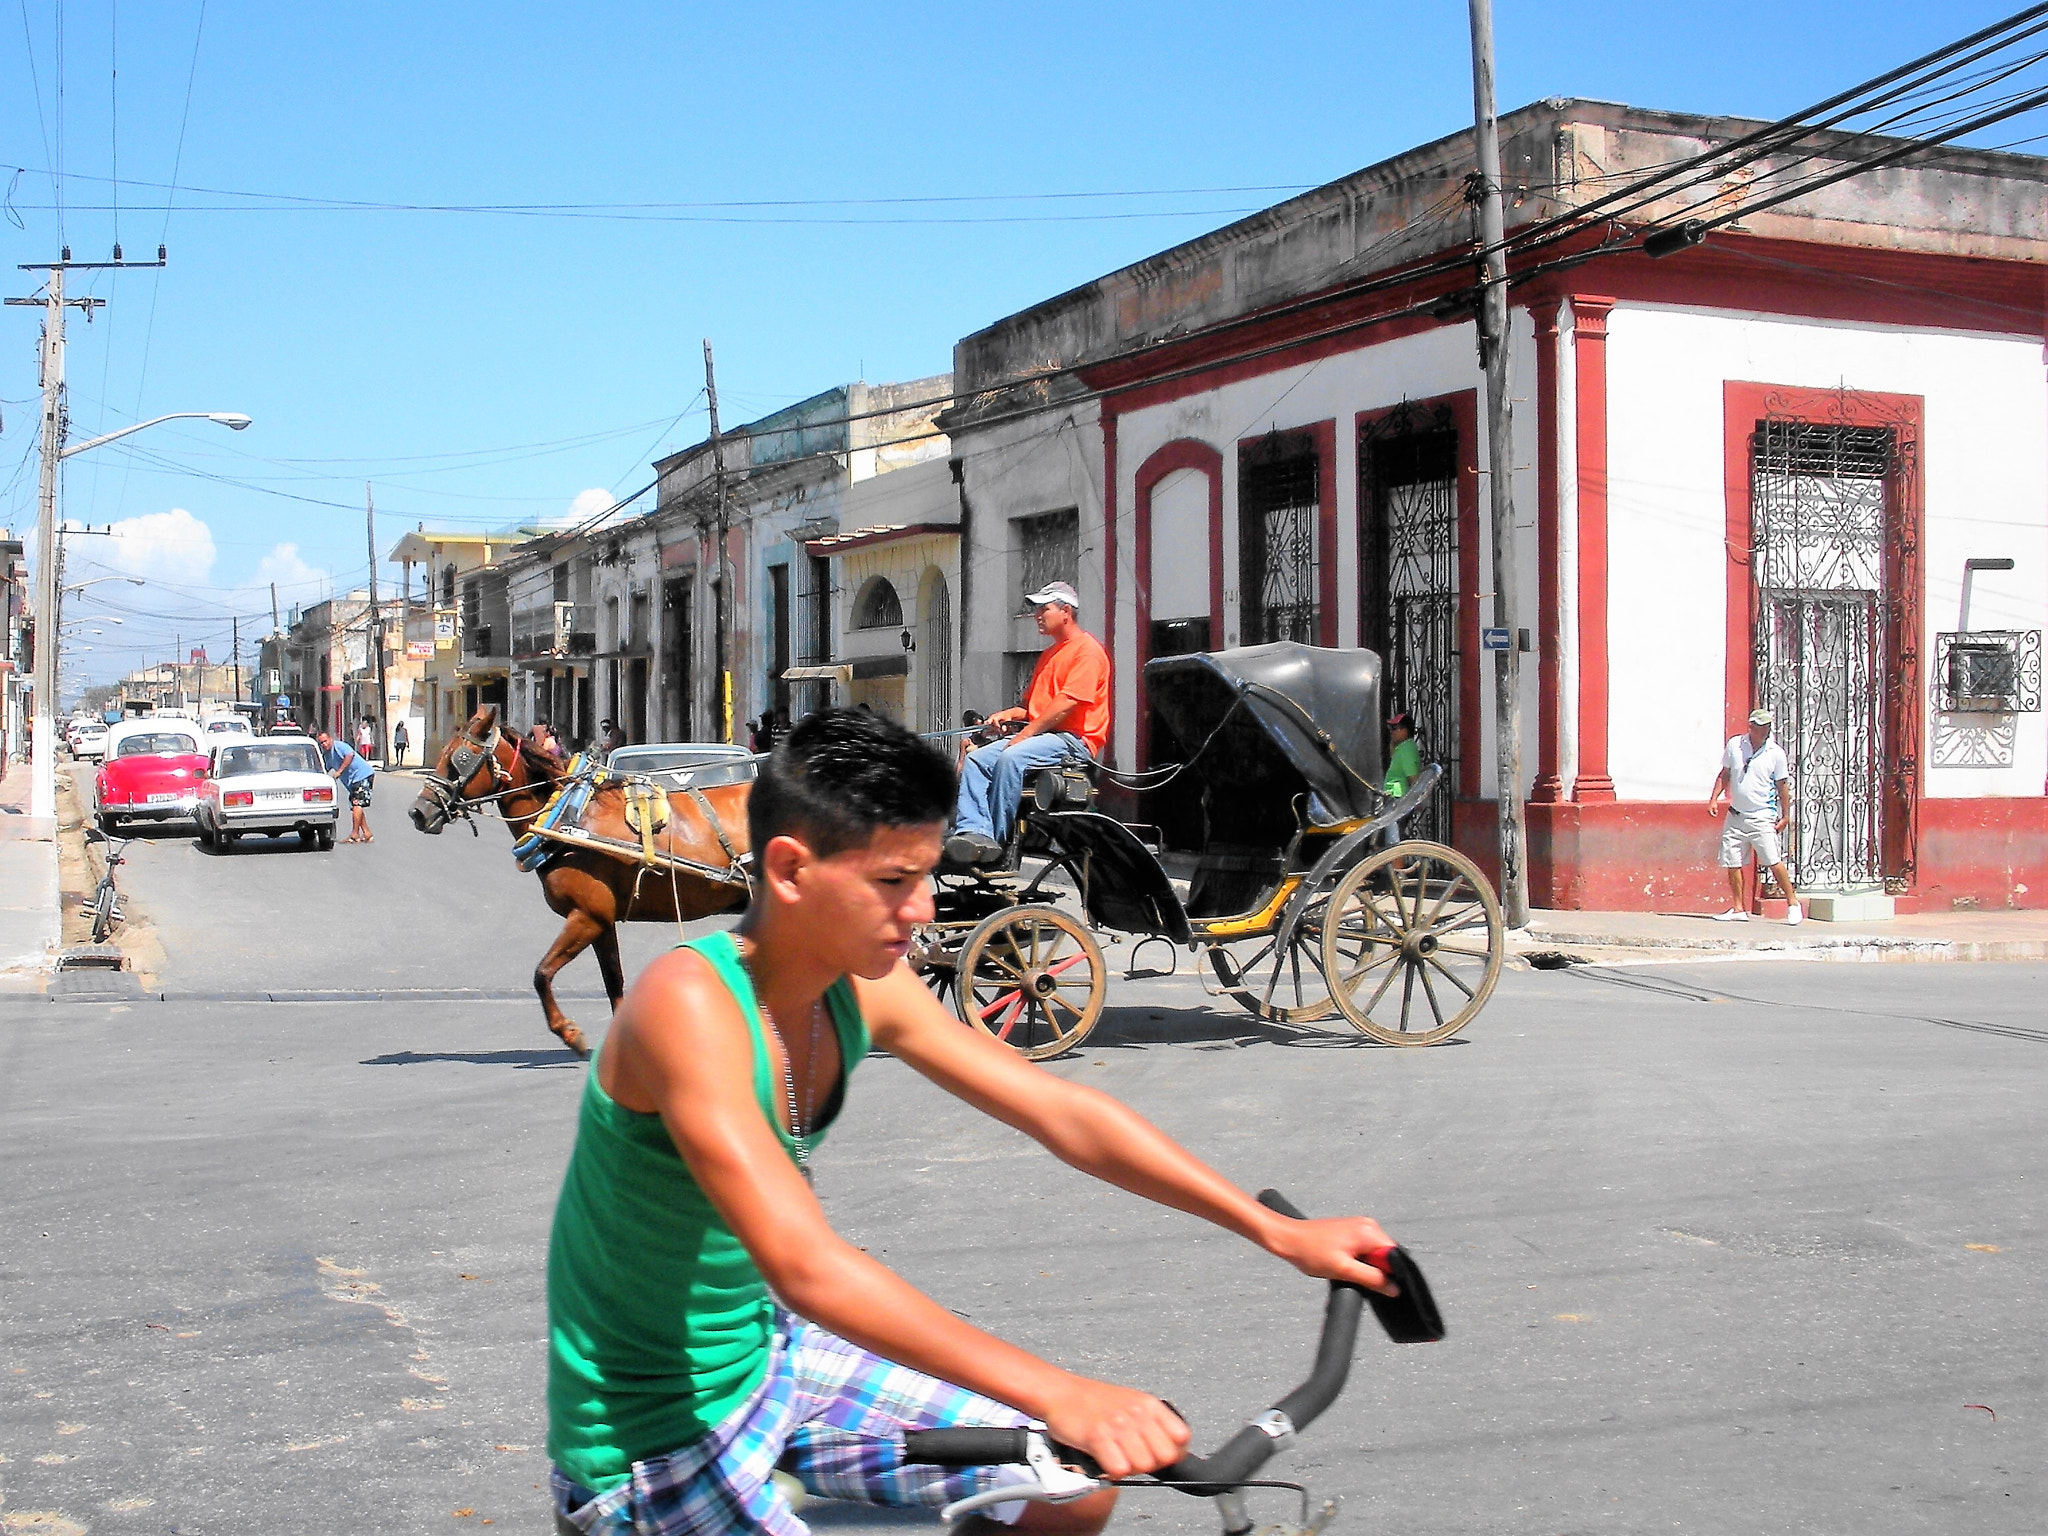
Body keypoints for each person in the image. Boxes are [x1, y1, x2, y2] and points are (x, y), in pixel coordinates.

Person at [546, 708, 1400, 1536]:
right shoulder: (689, 1007)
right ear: (791, 870)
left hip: (767, 1363)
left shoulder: (862, 983)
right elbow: (807, 1266)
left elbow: (1062, 1112)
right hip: (648, 1446)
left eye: (924, 876)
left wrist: (1273, 1231)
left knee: (1068, 1489)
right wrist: (1058, 1391)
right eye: (892, 881)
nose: (920, 910)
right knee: (1063, 1432)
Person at [943, 581, 1110, 867]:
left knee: (1011, 757)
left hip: (1074, 742)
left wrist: (1027, 734)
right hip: (1044, 737)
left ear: (1066, 611)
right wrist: (1007, 715)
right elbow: (1031, 707)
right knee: (977, 759)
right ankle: (974, 833)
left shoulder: (1088, 651)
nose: (1037, 616)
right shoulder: (1049, 655)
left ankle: (997, 842)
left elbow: (1066, 704)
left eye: (1044, 609)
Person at [1708, 707, 1802, 925]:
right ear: (1751, 727)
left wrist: (1786, 815)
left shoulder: (1775, 753)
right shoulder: (1735, 745)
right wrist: (1714, 798)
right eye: (1760, 727)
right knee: (1732, 861)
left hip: (1762, 815)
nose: (1765, 731)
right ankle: (1738, 908)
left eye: (1768, 727)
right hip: (1736, 815)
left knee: (1773, 860)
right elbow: (1726, 773)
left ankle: (1792, 903)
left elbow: (1782, 785)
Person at [317, 729, 377, 844]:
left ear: (330, 739)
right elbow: (324, 769)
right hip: (353, 781)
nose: (324, 744)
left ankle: (354, 835)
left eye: (325, 741)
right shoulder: (327, 755)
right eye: (321, 743)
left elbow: (350, 755)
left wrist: (339, 771)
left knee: (356, 804)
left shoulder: (339, 746)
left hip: (362, 775)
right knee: (355, 805)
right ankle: (367, 833)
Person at [1383, 711, 1422, 801]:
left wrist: (1414, 800)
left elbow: (1413, 778)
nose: (1392, 732)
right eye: (1391, 728)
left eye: (1395, 728)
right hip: (1395, 796)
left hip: (1398, 797)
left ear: (1405, 730)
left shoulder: (1407, 749)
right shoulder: (1403, 747)